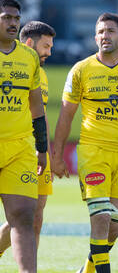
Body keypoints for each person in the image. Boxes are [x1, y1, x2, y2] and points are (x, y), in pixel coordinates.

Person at [52, 12, 118, 273]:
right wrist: (56, 155)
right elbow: (66, 115)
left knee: (114, 228)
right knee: (100, 218)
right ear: (94, 37)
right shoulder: (81, 70)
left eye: (110, 31)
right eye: (100, 32)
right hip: (93, 151)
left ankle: (86, 270)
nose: (104, 36)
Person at [0, 20, 55, 256]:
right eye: (45, 46)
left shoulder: (39, 73)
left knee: (35, 216)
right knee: (23, 215)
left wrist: (47, 150)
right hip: (17, 148)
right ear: (30, 42)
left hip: (37, 151)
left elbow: (40, 115)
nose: (49, 52)